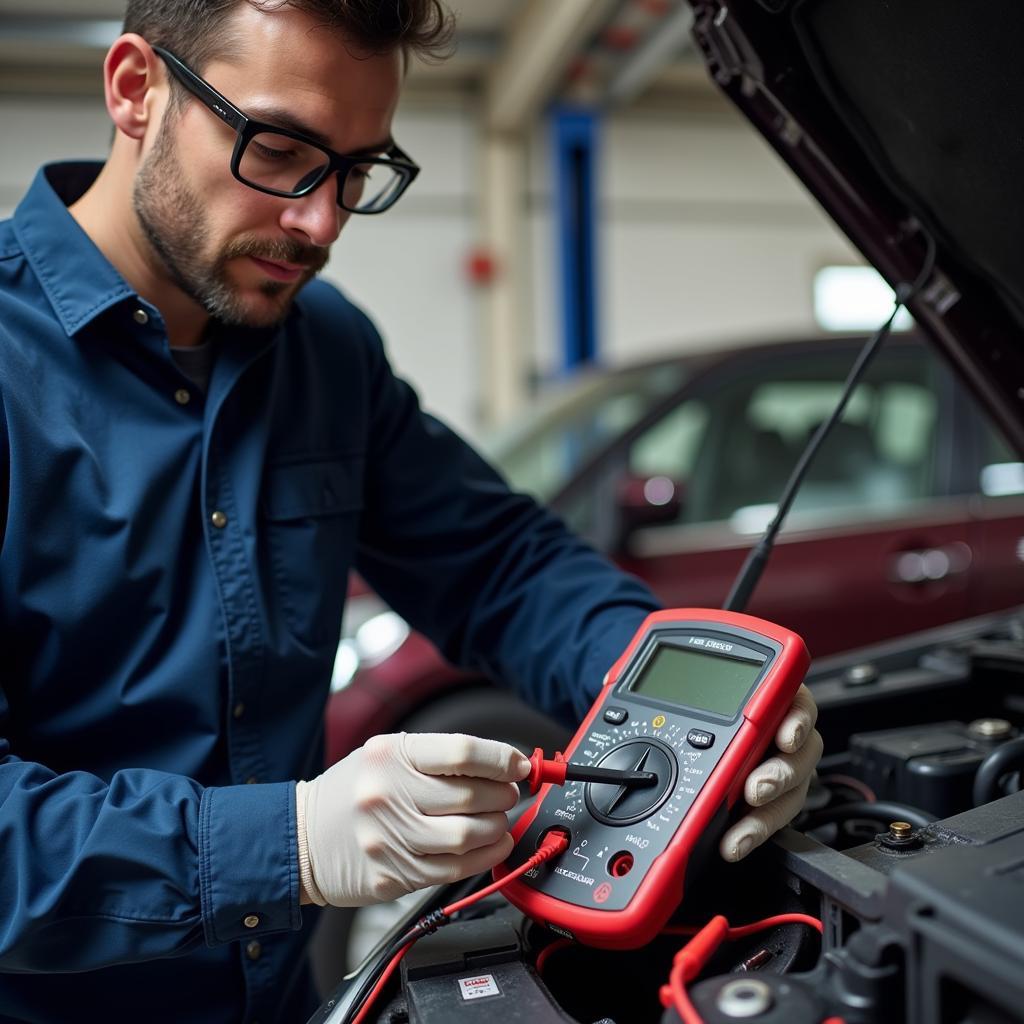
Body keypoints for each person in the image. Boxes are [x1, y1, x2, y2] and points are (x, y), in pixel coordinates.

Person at [0, 1, 823, 1021]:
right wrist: (290, 842)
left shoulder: (324, 349)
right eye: (282, 149)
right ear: (135, 89)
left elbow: (497, 563)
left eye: (357, 170)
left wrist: (694, 713)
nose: (321, 221)